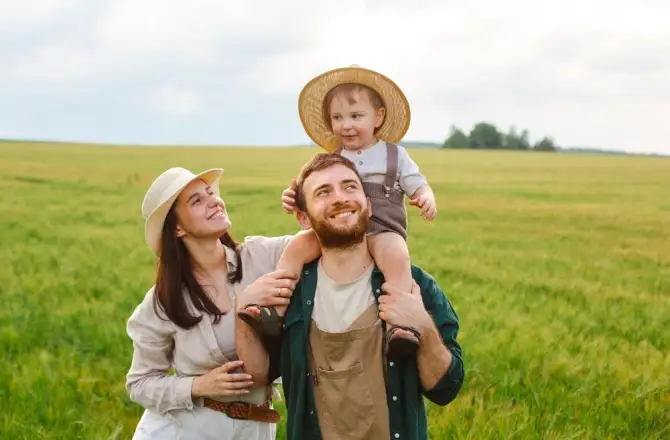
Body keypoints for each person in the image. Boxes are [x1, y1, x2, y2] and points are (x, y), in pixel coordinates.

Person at [235, 153, 465, 440]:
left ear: (368, 206)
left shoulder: (413, 285)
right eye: (323, 192)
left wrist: (423, 325)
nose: (340, 198)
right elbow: (259, 377)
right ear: (303, 217)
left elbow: (446, 389)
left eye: (350, 187)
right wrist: (243, 315)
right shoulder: (289, 294)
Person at [238, 65, 437, 359]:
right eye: (338, 118)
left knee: (396, 257)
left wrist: (425, 197)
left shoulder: (395, 154)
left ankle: (400, 325)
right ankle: (274, 310)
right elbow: (308, 189)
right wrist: (291, 197)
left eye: (356, 116)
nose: (346, 125)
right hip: (335, 230)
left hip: (382, 228)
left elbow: (417, 184)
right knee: (296, 248)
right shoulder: (333, 158)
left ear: (378, 117)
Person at [124, 166, 319, 440]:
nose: (214, 201)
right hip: (184, 431)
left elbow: (332, 235)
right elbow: (139, 383)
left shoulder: (263, 257)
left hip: (257, 428)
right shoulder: (164, 300)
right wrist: (198, 386)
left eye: (210, 193)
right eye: (197, 200)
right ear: (177, 227)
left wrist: (308, 205)